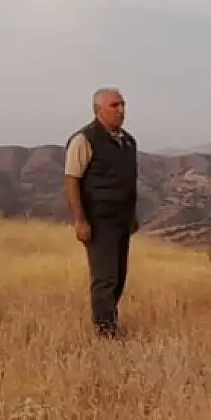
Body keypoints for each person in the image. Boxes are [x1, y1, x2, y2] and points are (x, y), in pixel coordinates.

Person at [63, 87, 140, 338]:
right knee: (104, 278)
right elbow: (72, 180)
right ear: (97, 110)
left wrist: (132, 215)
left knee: (118, 276)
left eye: (122, 105)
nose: (121, 110)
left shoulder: (128, 141)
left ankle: (110, 321)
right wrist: (80, 220)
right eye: (114, 106)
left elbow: (129, 181)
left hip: (121, 220)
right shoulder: (84, 140)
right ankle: (105, 331)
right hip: (98, 220)